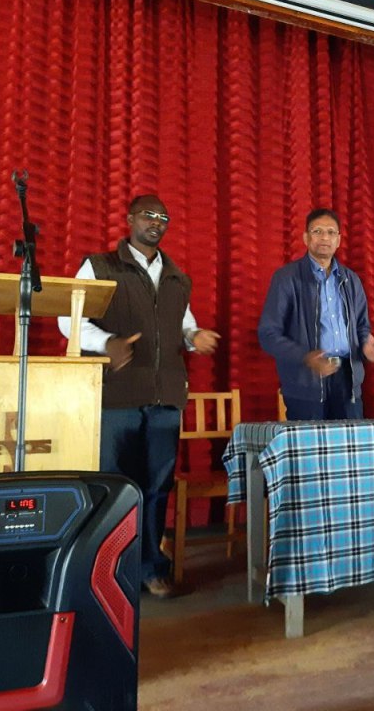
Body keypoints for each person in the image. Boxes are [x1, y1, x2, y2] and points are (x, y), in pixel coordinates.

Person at [58, 194, 220, 599]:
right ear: (130, 219)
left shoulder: (177, 277)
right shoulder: (99, 266)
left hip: (165, 396)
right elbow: (68, 318)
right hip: (117, 396)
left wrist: (194, 336)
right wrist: (106, 342)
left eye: (163, 217)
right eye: (149, 215)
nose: (156, 222)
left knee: (157, 487)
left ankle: (151, 568)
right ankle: (107, 572)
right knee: (113, 487)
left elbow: (183, 324)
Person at [258, 208, 374, 420]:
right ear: (306, 238)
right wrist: (305, 357)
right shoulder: (287, 278)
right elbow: (268, 334)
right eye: (317, 231)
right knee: (310, 442)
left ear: (338, 240)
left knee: (350, 441)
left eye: (330, 232)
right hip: (305, 381)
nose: (324, 238)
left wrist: (365, 345)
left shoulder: (351, 280)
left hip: (347, 380)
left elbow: (362, 326)